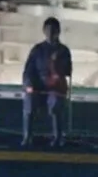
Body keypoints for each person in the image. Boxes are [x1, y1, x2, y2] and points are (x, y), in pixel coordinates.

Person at [19, 17, 71, 147]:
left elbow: (67, 71)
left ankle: (58, 137)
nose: (50, 33)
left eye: (53, 30)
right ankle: (27, 136)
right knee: (29, 101)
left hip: (55, 87)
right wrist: (29, 85)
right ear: (44, 31)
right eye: (48, 30)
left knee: (55, 102)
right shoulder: (37, 49)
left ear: (58, 31)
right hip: (38, 85)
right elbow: (28, 70)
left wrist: (56, 64)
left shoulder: (63, 50)